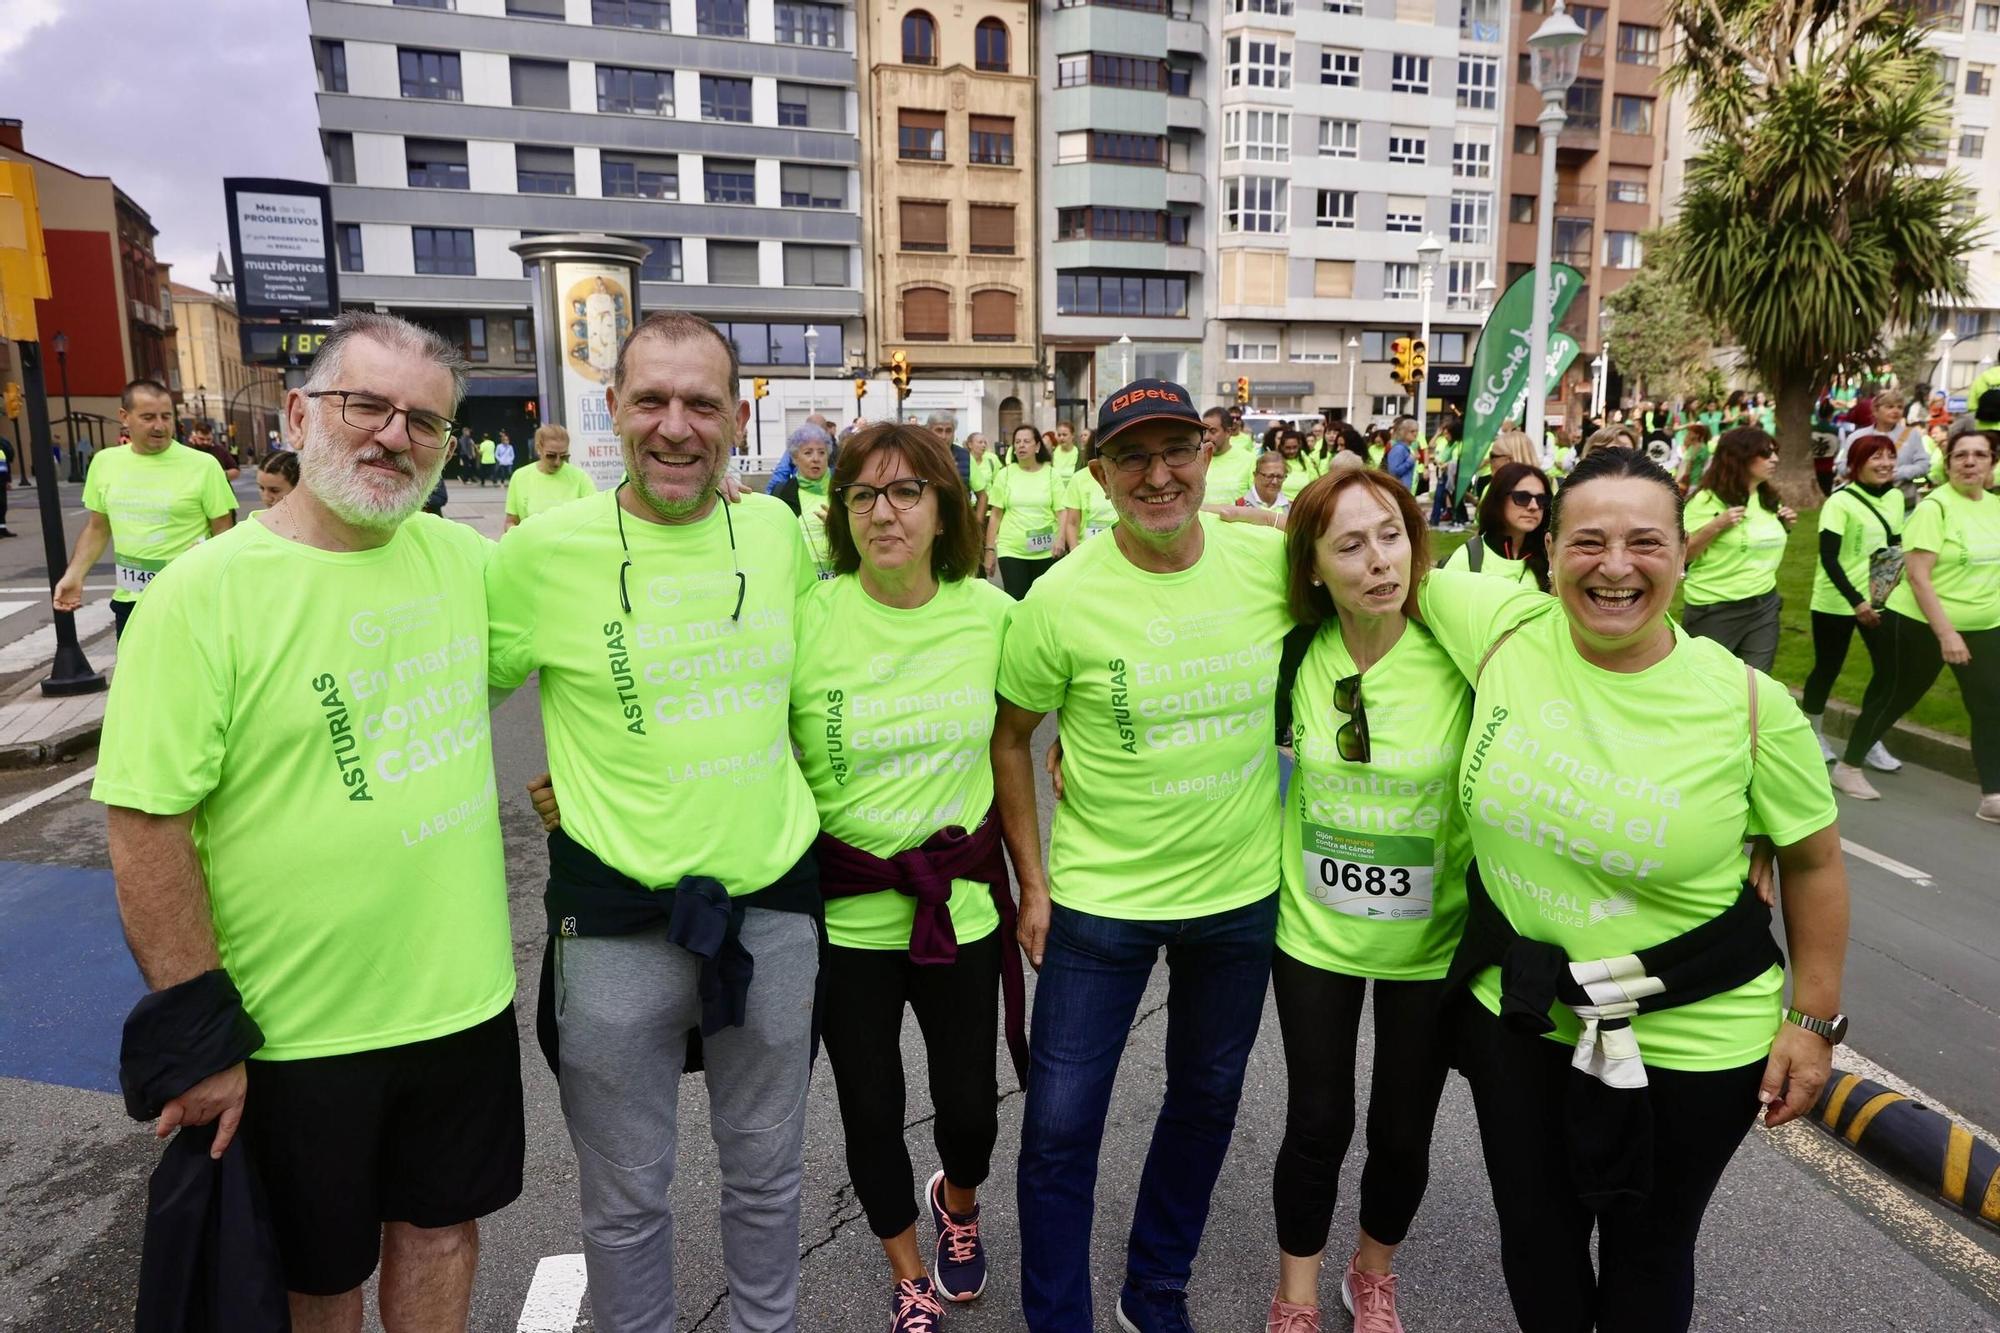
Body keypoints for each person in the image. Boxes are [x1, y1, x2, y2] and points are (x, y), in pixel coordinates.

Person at [91, 312, 522, 1329]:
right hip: (294, 1030)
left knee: (442, 1232)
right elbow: (145, 823)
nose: (392, 435)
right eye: (364, 404)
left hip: (460, 1000)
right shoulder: (204, 596)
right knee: (316, 1275)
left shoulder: (465, 564)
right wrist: (198, 1035)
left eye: (423, 420)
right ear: (297, 414)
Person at [1417, 446, 1850, 1333]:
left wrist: (1811, 1025)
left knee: (1649, 1249)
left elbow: (1813, 863)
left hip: (1691, 1036)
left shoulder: (1752, 706)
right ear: (1546, 553)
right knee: (1535, 1237)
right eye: (1589, 542)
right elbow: (1373, 555)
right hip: (1525, 1012)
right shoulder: (1501, 628)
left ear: (1684, 554)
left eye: (1645, 542)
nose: (1615, 566)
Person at [487, 312, 821, 1332]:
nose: (676, 427)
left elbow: (820, 698)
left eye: (701, 403)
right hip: (614, 924)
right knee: (626, 1200)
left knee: (768, 1180)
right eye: (651, 401)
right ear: (614, 412)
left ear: (735, 416)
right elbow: (442, 698)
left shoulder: (776, 535)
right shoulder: (539, 553)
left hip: (768, 914)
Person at [993, 378, 1291, 1333]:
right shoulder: (1061, 596)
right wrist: (1032, 882)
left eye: (1178, 451)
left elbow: (1391, 574)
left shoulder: (1269, 564)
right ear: (1102, 474)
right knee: (1058, 1130)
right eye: (1134, 457)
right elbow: (1013, 738)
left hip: (1240, 894)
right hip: (1099, 902)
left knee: (1205, 1101)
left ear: (1208, 453)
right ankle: (1058, 1319)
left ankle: (1153, 1288)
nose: (1159, 475)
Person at [1264, 468, 1471, 1333]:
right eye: (1349, 544)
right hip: (1314, 933)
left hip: (1432, 939)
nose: (1379, 560)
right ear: (1313, 566)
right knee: (1318, 1120)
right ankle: (1298, 1292)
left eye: (1391, 534)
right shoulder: (1290, 651)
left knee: (1401, 1131)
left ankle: (1372, 1270)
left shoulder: (1461, 646)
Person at [1835, 425, 2000, 819]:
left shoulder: (1994, 507)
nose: (1970, 462)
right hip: (1921, 624)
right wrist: (1946, 633)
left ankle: (1992, 797)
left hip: (1984, 626)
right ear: (1948, 462)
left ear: (1992, 463)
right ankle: (1849, 766)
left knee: (1990, 707)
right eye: (1961, 455)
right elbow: (1918, 577)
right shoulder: (1934, 508)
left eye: (1980, 455)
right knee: (1896, 696)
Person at [53, 379, 237, 639]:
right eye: (148, 417)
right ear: (124, 417)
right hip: (131, 603)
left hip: (189, 600)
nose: (160, 426)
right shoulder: (105, 462)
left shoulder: (204, 465)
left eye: (166, 416)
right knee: (135, 680)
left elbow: (224, 532)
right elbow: (98, 528)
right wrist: (74, 575)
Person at [1803, 434, 1904, 768]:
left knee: (1889, 672)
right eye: (1876, 457)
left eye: (1890, 456)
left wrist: (1885, 595)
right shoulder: (1839, 502)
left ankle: (1869, 738)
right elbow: (1829, 559)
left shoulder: (1895, 498)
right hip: (1836, 601)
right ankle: (1812, 734)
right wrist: (1857, 602)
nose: (1885, 463)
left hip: (1879, 601)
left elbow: (1893, 550)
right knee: (1828, 668)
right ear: (1857, 463)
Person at [1681, 428, 1797, 671]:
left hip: (1763, 605)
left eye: (1775, 453)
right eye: (1766, 454)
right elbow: (1683, 555)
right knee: (1707, 684)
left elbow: (1755, 544)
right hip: (1714, 608)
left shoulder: (1768, 499)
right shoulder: (1705, 501)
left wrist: (1784, 527)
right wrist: (1716, 526)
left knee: (1755, 685)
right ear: (1739, 457)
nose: (1774, 459)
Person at [1440, 461, 1552, 591]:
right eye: (1522, 497)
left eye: (1541, 499)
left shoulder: (1551, 558)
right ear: (1499, 499)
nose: (1534, 506)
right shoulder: (1468, 558)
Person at [986, 423, 1060, 598]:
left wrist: (1061, 539)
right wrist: (989, 550)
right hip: (1011, 549)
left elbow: (1061, 512)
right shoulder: (1005, 474)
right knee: (1016, 597)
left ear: (1037, 446)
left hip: (1046, 551)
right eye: (1017, 442)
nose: (1021, 445)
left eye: (1026, 441)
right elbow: (995, 516)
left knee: (1042, 600)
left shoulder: (1051, 474)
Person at [504, 423, 598, 528]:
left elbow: (595, 517)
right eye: (551, 456)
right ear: (538, 448)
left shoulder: (580, 478)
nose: (557, 462)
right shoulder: (520, 477)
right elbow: (510, 521)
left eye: (563, 456)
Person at [774, 424, 837, 579]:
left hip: (841, 574)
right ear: (795, 458)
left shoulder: (842, 490)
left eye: (821, 452)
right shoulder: (783, 492)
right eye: (808, 453)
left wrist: (840, 526)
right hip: (798, 575)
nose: (816, 458)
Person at [1057, 437, 1119, 552]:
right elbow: (1072, 522)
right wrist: (1074, 551)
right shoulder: (1079, 478)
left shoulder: (1122, 475)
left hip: (1119, 551)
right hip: (1087, 550)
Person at [1201, 406, 1257, 505]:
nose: (1206, 437)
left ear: (1228, 432)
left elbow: (1257, 501)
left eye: (1213, 431)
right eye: (1204, 431)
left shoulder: (1249, 460)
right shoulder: (1195, 460)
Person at [967, 430, 1000, 530]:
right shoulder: (965, 460)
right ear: (970, 444)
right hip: (969, 509)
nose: (983, 445)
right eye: (980, 442)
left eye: (985, 442)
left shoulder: (992, 460)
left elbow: (997, 484)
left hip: (988, 510)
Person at [1675, 421, 1713, 494]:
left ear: (1697, 435)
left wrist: (1684, 478)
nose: (1689, 434)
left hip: (1692, 482)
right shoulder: (1693, 447)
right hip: (1687, 481)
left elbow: (1690, 466)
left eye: (1691, 432)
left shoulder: (1700, 448)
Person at [1049, 420, 1082, 484]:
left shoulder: (1081, 455)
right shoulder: (1051, 455)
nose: (1061, 438)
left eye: (1064, 435)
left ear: (1072, 435)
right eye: (1059, 435)